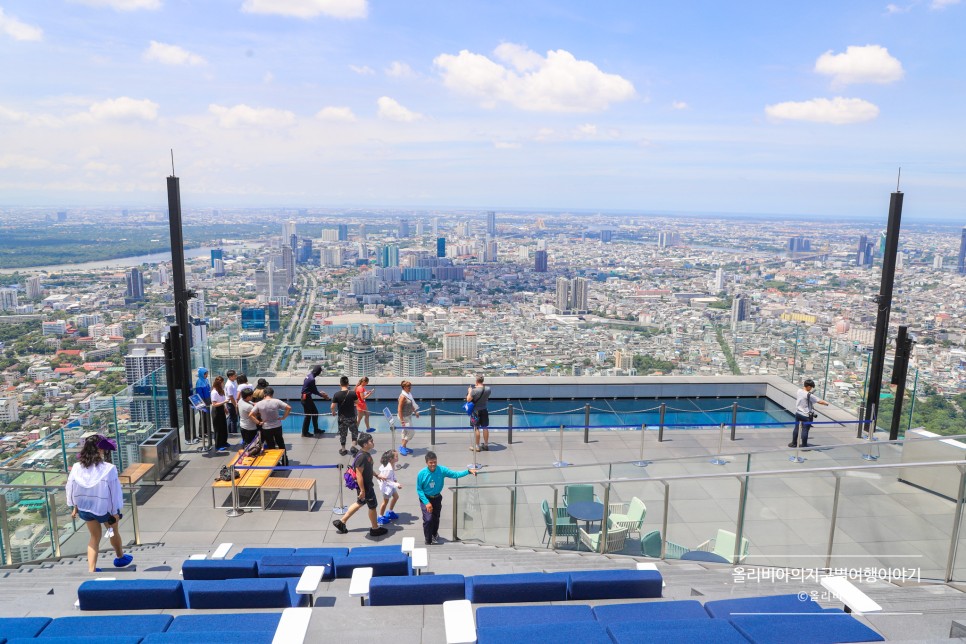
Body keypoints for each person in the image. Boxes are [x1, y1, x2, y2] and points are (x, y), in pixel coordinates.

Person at [65, 435, 133, 573]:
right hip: (105, 510)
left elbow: (71, 487)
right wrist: (115, 512)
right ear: (100, 449)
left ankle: (92, 569)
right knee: (112, 532)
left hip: (86, 508)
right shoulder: (109, 468)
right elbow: (114, 493)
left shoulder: (77, 467)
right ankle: (120, 558)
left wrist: (74, 506)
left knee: (94, 537)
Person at [331, 433, 389, 537]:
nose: (373, 442)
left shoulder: (366, 453)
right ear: (365, 444)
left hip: (364, 486)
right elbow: (359, 475)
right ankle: (375, 529)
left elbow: (368, 469)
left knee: (360, 503)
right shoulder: (362, 457)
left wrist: (376, 475)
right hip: (366, 487)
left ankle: (342, 521)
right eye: (371, 441)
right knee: (372, 506)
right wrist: (362, 490)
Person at [416, 451, 477, 545]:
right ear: (426, 462)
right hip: (426, 498)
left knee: (436, 518)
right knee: (428, 519)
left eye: (435, 462)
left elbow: (455, 474)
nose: (433, 464)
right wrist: (427, 502)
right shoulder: (421, 474)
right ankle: (428, 540)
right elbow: (419, 489)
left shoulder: (442, 470)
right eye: (431, 462)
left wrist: (468, 471)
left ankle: (434, 534)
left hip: (437, 498)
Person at [251, 386, 291, 465]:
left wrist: (258, 422)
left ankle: (275, 462)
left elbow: (251, 414)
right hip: (277, 426)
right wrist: (283, 417)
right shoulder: (276, 401)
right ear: (272, 394)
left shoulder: (259, 403)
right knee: (280, 443)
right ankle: (284, 459)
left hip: (266, 427)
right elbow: (288, 408)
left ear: (264, 394)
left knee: (271, 445)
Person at [790, 378, 829, 448]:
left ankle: (794, 443)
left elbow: (803, 394)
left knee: (796, 428)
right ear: (808, 386)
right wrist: (826, 403)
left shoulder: (799, 391)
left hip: (798, 413)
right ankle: (804, 445)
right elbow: (819, 401)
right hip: (806, 415)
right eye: (811, 387)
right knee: (805, 430)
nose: (811, 389)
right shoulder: (809, 395)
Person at [331, 375, 360, 456]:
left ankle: (343, 450)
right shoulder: (352, 393)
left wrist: (333, 412)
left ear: (340, 384)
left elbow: (332, 406)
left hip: (342, 418)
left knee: (342, 433)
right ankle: (353, 446)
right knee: (354, 432)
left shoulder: (336, 394)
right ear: (348, 384)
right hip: (351, 417)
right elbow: (357, 403)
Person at [301, 366, 331, 438]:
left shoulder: (309, 376)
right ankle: (304, 433)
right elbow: (314, 391)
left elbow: (312, 389)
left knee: (315, 413)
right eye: (319, 371)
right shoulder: (312, 379)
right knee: (308, 416)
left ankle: (316, 430)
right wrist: (323, 396)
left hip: (306, 398)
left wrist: (320, 393)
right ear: (317, 372)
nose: (320, 373)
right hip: (306, 399)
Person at [376, 449, 402, 525]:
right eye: (396, 456)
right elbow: (386, 480)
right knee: (385, 502)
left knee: (396, 497)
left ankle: (390, 512)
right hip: (386, 488)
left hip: (391, 486)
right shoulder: (389, 468)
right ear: (391, 458)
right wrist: (397, 484)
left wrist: (395, 480)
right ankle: (380, 516)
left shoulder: (391, 465)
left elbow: (392, 475)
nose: (398, 457)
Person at [467, 375, 492, 452]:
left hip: (476, 411)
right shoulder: (488, 389)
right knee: (485, 427)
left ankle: (477, 446)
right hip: (484, 409)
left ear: (476, 381)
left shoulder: (474, 391)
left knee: (476, 428)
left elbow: (468, 400)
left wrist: (470, 391)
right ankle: (486, 444)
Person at [397, 380, 420, 456]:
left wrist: (415, 411)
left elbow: (411, 404)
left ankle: (404, 447)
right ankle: (402, 447)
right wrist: (401, 420)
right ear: (404, 387)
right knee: (411, 432)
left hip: (408, 415)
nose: (410, 388)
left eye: (410, 386)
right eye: (408, 386)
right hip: (404, 417)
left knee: (405, 432)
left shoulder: (408, 394)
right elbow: (399, 409)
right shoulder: (403, 397)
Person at [210, 375, 230, 452]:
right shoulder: (214, 392)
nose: (223, 384)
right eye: (222, 383)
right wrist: (224, 402)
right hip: (216, 410)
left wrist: (224, 408)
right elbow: (214, 404)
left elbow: (221, 400)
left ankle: (224, 442)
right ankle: (218, 445)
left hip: (221, 408)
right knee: (218, 428)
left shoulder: (221, 391)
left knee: (224, 427)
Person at [194, 367, 212, 444]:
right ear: (202, 374)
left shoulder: (206, 380)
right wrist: (202, 403)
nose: (207, 375)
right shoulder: (199, 382)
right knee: (202, 417)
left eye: (207, 373)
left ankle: (207, 430)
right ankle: (201, 433)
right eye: (205, 374)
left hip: (207, 400)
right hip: (202, 401)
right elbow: (199, 394)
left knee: (207, 416)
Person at [225, 369, 239, 438]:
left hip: (233, 402)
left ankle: (231, 432)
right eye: (234, 375)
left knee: (232, 418)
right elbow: (231, 396)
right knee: (233, 419)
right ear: (230, 377)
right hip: (231, 403)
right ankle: (233, 433)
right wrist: (235, 404)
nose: (236, 377)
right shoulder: (229, 385)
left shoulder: (233, 382)